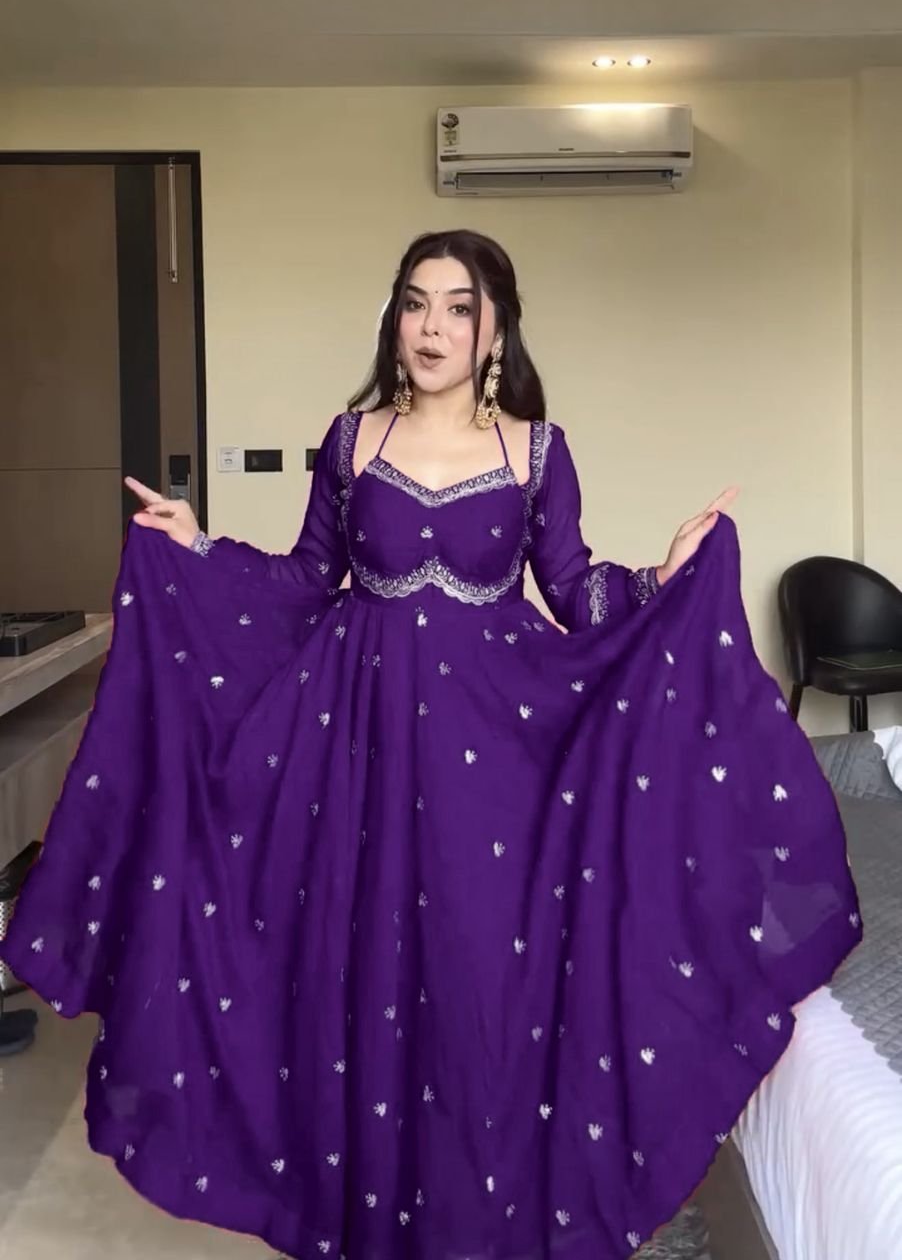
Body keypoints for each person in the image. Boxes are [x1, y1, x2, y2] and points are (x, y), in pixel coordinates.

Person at [6, 229, 861, 1260]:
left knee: (472, 982)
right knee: (357, 980)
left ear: (494, 331)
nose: (431, 326)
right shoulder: (351, 439)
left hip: (492, 759)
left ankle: (473, 1221)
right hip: (352, 754)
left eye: (459, 307)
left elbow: (574, 587)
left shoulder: (535, 451)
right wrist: (195, 545)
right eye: (415, 302)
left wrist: (661, 578)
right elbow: (302, 579)